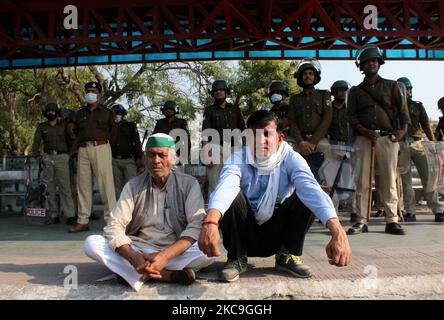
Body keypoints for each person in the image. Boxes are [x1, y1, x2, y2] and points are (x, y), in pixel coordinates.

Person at [198, 110, 351, 282]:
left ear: (279, 138)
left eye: (267, 134)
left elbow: (310, 189)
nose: (260, 141)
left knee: (306, 195)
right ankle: (236, 258)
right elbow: (226, 186)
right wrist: (211, 221)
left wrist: (337, 231)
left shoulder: (292, 158)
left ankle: (287, 254)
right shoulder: (237, 158)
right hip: (246, 231)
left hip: (278, 232)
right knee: (232, 195)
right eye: (254, 134)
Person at [84, 133, 215, 291]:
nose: (156, 161)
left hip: (175, 250)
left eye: (162, 155)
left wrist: (164, 256)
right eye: (151, 155)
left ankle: (131, 274)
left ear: (173, 159)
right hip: (139, 249)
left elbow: (196, 226)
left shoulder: (189, 184)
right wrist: (134, 258)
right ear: (145, 159)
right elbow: (114, 225)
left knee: (208, 252)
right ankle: (168, 275)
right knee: (92, 243)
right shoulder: (133, 186)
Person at [346, 45, 410, 235]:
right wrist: (364, 131)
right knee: (362, 180)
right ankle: (361, 220)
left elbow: (403, 112)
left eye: (374, 60)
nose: (371, 63)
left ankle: (392, 220)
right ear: (362, 66)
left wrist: (402, 132)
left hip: (387, 137)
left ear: (379, 64)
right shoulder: (356, 91)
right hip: (364, 138)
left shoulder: (392, 86)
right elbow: (351, 116)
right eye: (367, 62)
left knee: (389, 179)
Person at [69, 81, 117, 233]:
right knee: (82, 186)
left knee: (106, 186)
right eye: (88, 90)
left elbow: (114, 132)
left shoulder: (107, 112)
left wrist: (110, 150)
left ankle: (112, 222)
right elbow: (75, 133)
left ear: (100, 94)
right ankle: (83, 220)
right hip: (83, 149)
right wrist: (74, 151)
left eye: (94, 91)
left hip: (101, 147)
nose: (91, 93)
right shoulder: (79, 113)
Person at [396, 77, 444, 223]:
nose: (407, 91)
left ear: (411, 90)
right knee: (406, 181)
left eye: (408, 88)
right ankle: (410, 211)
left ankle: (437, 210)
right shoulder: (393, 107)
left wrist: (433, 144)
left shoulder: (417, 106)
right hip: (401, 144)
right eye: (403, 89)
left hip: (418, 144)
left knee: (429, 178)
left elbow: (426, 125)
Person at [32, 102, 76, 225]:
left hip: (62, 157)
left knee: (65, 188)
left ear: (57, 112)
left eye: (53, 111)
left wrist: (69, 155)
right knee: (49, 188)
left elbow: (74, 140)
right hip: (47, 157)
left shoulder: (65, 125)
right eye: (48, 111)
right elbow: (36, 142)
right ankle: (53, 215)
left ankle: (70, 215)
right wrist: (36, 154)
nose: (51, 113)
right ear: (45, 113)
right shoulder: (41, 127)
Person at [287, 58, 332, 181]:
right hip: (299, 143)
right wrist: (301, 142)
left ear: (315, 77)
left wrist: (313, 141)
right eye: (305, 74)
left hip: (320, 142)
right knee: (297, 176)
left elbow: (327, 118)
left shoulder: (324, 94)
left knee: (326, 177)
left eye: (310, 74)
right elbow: (292, 121)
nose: (308, 76)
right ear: (300, 78)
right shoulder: (294, 99)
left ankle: (327, 200)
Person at [202, 80, 246, 197]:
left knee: (238, 178)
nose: (218, 92)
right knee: (214, 180)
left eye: (221, 90)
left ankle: (237, 207)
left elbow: (243, 129)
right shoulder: (209, 110)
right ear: (213, 94)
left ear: (226, 92)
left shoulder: (235, 108)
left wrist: (247, 149)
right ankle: (214, 209)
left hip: (234, 148)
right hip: (216, 148)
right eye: (216, 91)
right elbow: (205, 132)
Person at [110, 103, 143, 198]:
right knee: (117, 187)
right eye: (115, 113)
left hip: (128, 160)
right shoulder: (109, 127)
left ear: (123, 114)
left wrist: (139, 158)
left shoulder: (130, 126)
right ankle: (121, 209)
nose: (117, 115)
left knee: (131, 184)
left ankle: (133, 208)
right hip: (114, 160)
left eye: (119, 113)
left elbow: (137, 142)